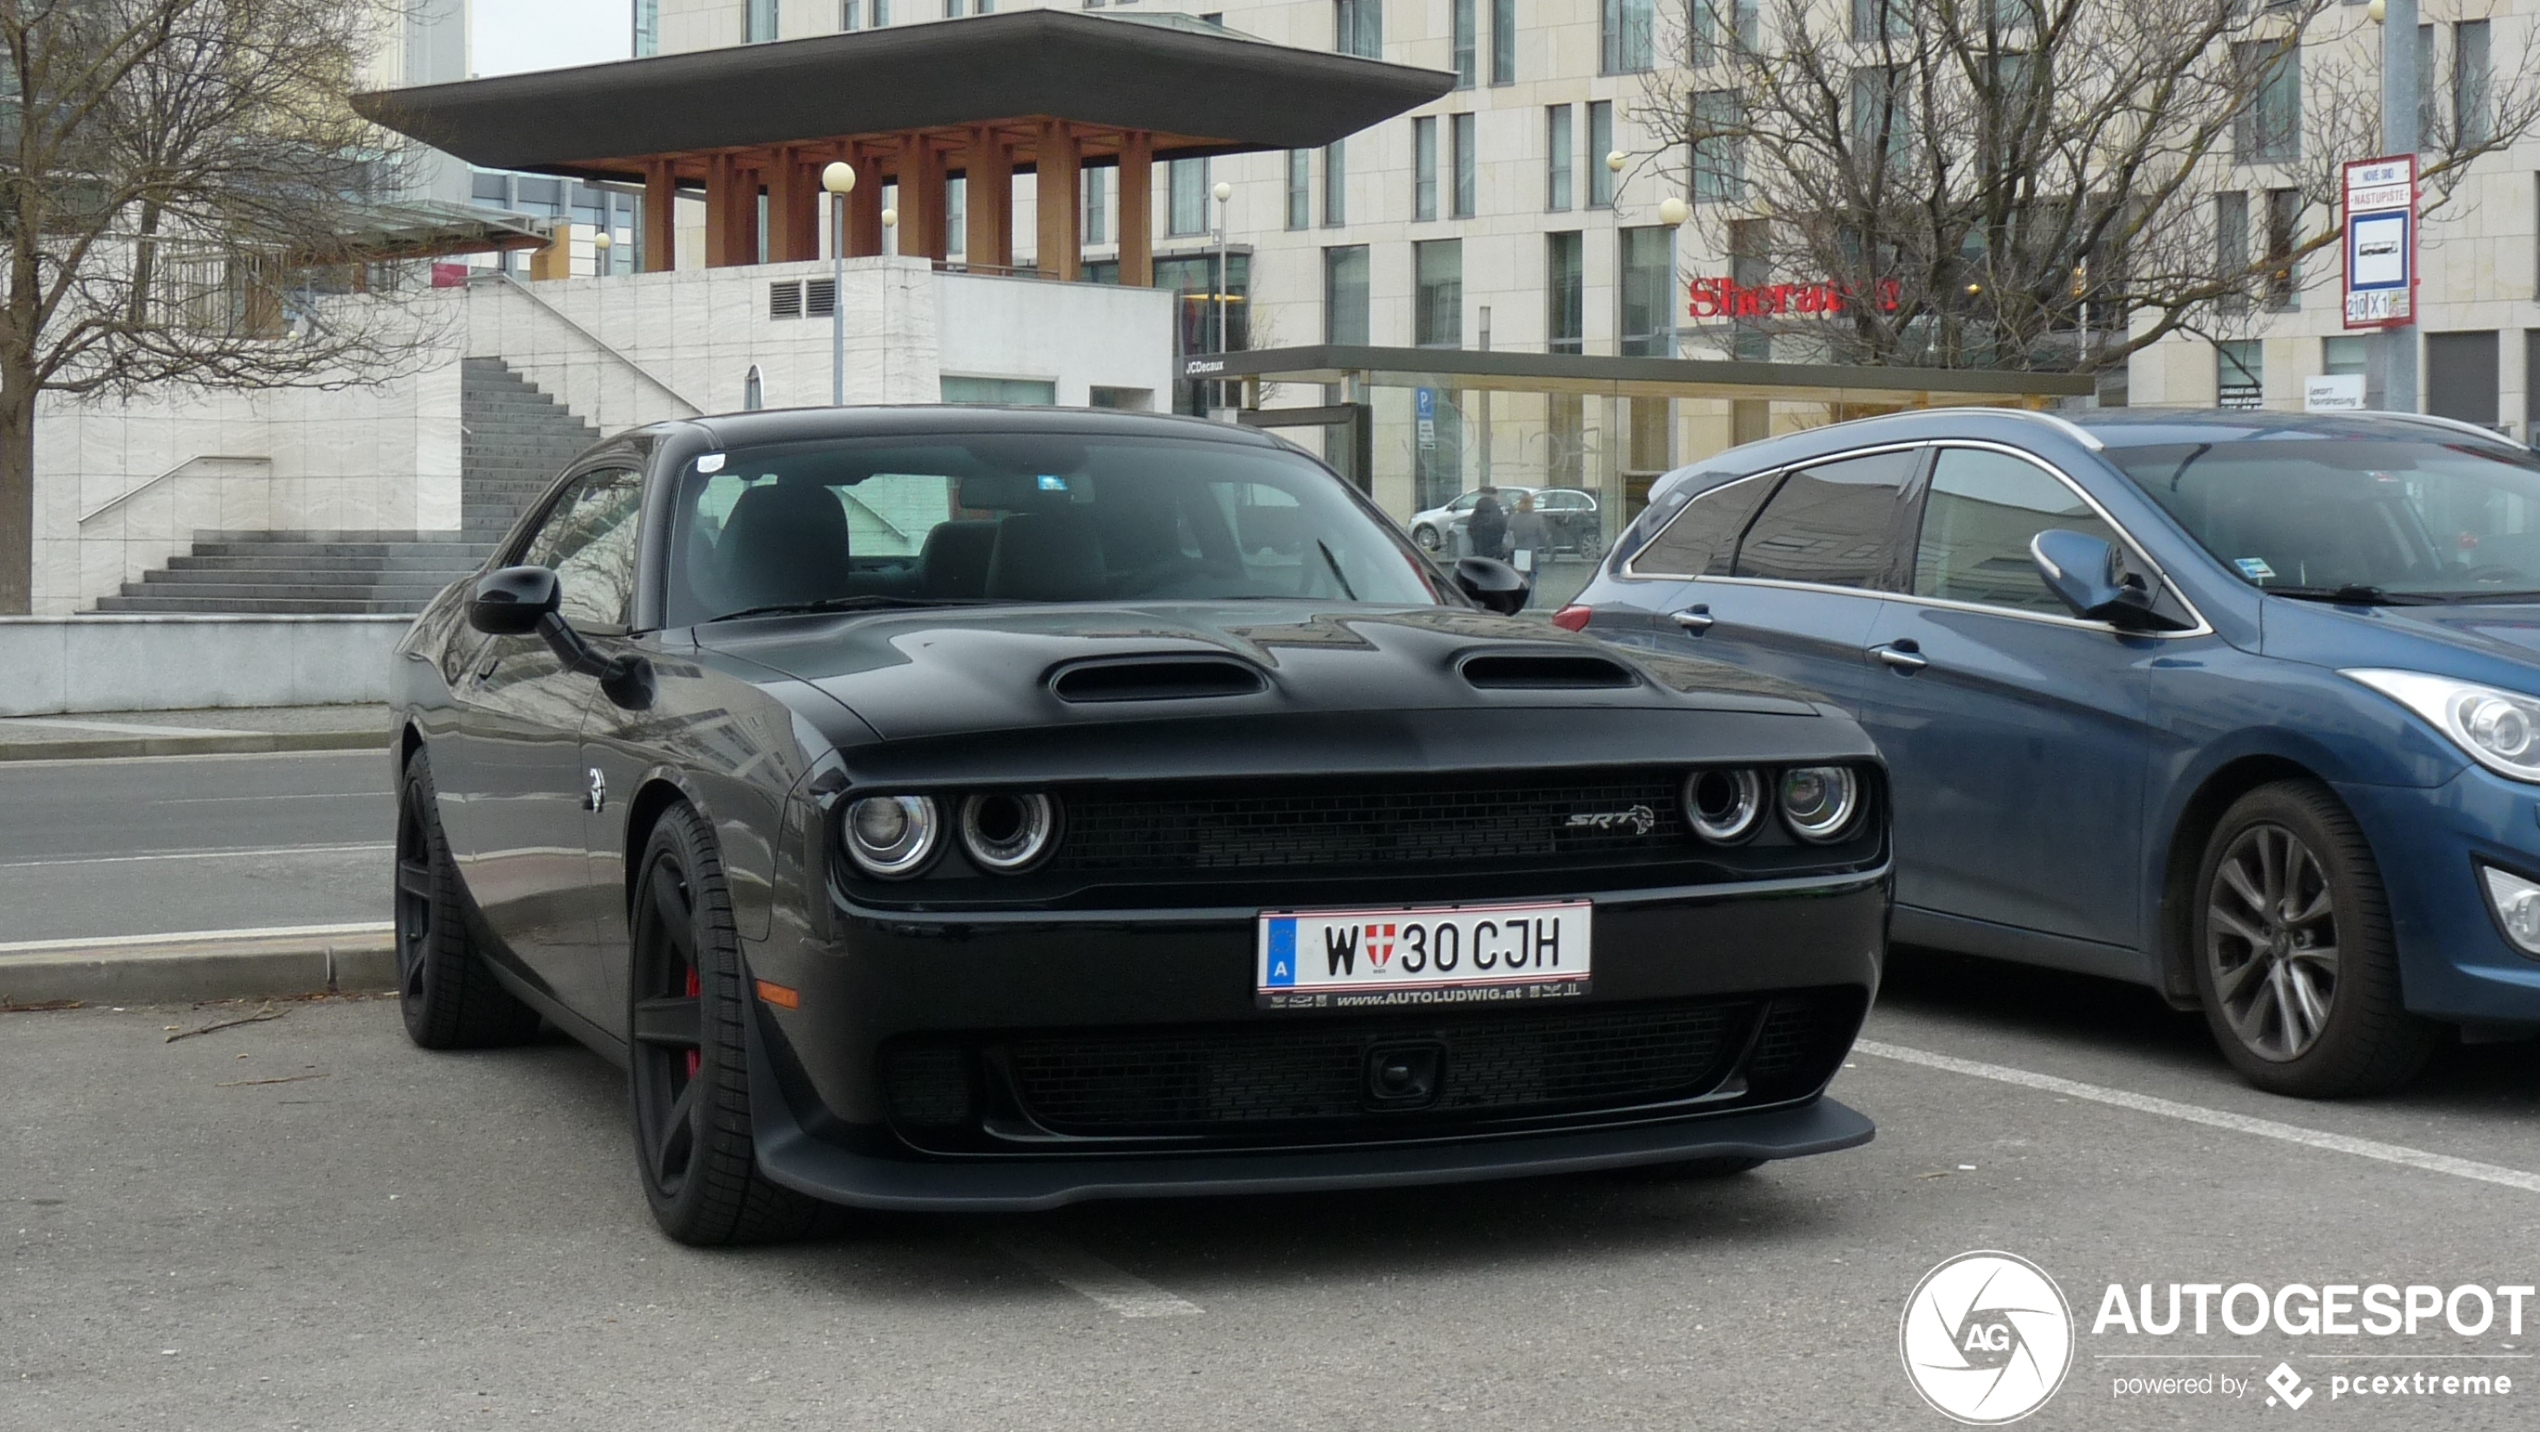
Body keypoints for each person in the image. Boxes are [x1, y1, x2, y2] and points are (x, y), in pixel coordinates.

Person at [1506, 491, 1551, 608]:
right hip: (1531, 553)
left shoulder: (1513, 518)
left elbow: (1508, 538)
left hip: (1517, 554)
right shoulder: (1536, 518)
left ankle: (1518, 606)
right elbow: (1544, 535)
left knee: (1518, 582)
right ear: (1532, 504)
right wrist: (1550, 548)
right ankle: (1528, 607)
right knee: (1531, 583)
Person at [1466, 486, 1507, 563]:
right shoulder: (1495, 509)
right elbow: (1501, 526)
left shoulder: (1478, 509)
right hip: (1494, 546)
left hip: (1479, 546)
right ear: (1494, 496)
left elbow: (1471, 527)